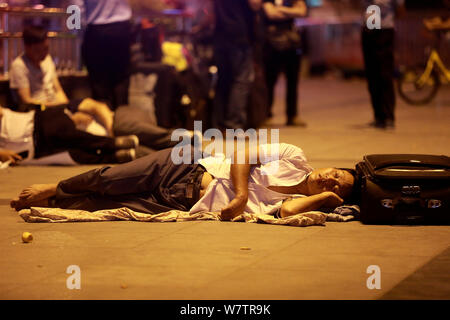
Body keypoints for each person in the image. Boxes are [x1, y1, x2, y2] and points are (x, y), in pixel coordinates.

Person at [10, 142, 357, 222]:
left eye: (338, 186)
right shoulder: (293, 157)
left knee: (101, 205)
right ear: (330, 166)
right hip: (184, 168)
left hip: (181, 203)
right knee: (109, 177)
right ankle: (55, 187)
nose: (332, 179)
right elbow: (243, 155)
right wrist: (239, 195)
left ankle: (56, 202)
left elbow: (288, 212)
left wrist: (323, 198)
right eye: (337, 174)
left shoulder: (304, 200)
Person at [9, 25, 181, 154]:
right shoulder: (19, 65)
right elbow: (26, 101)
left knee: (96, 106)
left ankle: (113, 133)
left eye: (47, 48)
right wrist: (63, 113)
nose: (45, 53)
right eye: (40, 50)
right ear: (28, 47)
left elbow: (58, 89)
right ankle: (115, 138)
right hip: (42, 111)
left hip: (59, 106)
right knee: (92, 106)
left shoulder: (47, 60)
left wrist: (67, 108)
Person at [0, 105, 137, 164]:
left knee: (66, 134)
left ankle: (112, 144)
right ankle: (113, 157)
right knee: (74, 156)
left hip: (35, 123)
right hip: (31, 149)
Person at [212, 0, 262, 131]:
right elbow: (255, 3)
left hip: (220, 35)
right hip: (239, 35)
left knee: (223, 80)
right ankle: (234, 125)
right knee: (241, 80)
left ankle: (219, 125)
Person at [73, 0, 133, 110]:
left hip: (96, 31)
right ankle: (122, 121)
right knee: (121, 79)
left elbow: (76, 8)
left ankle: (103, 122)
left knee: (99, 83)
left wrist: (79, 33)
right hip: (121, 29)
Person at [262, 0, 307, 127]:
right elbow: (271, 14)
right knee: (269, 80)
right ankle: (267, 114)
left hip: (292, 43)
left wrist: (280, 9)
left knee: (293, 81)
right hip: (271, 43)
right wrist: (291, 12)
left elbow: (302, 11)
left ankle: (292, 115)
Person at [361, 0, 405, 129]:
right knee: (371, 75)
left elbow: (401, 10)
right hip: (369, 29)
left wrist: (387, 20)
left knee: (385, 74)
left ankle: (388, 116)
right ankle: (378, 116)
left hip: (384, 30)